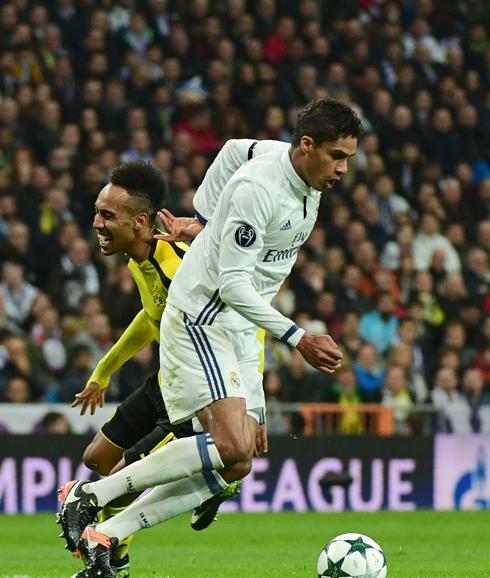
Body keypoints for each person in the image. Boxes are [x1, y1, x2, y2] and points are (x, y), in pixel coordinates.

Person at [59, 97, 362, 577]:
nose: (345, 168)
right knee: (229, 447)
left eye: (349, 156)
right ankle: (91, 495)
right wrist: (299, 337)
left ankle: (108, 534)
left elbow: (234, 148)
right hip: (202, 316)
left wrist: (202, 218)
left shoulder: (293, 170)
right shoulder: (257, 191)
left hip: (237, 327)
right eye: (338, 156)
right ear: (306, 145)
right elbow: (233, 285)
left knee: (237, 464)